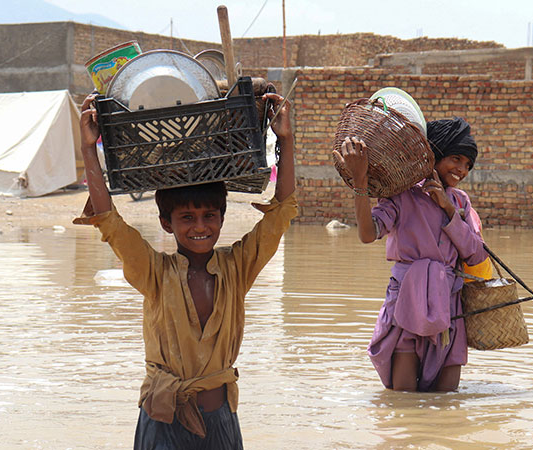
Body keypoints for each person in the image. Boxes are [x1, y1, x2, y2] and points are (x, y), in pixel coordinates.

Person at [75, 91, 297, 449]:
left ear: (223, 218)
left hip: (221, 423)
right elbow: (109, 222)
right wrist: (89, 148)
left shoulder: (237, 267)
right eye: (187, 218)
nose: (200, 227)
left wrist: (284, 140)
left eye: (209, 216)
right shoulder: (154, 272)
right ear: (166, 223)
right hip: (163, 419)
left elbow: (282, 212)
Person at [334, 117, 489, 392]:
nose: (461, 170)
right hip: (407, 303)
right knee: (404, 401)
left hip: (450, 309)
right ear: (435, 154)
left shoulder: (460, 202)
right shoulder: (402, 195)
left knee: (447, 399)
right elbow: (368, 234)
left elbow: (476, 255)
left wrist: (448, 209)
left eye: (467, 165)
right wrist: (361, 182)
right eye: (455, 159)